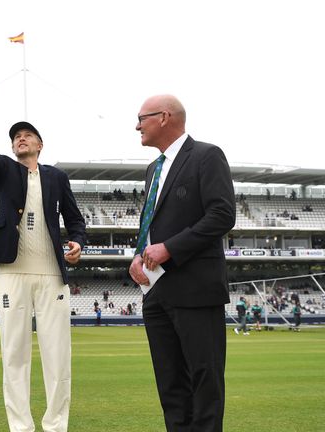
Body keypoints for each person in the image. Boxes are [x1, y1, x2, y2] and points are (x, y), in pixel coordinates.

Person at [0, 83, 86, 432]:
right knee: (14, 355)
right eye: (16, 136)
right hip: (11, 273)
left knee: (57, 357)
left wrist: (78, 242)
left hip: (53, 275)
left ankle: (56, 425)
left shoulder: (57, 177)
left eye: (28, 135)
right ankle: (20, 427)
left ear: (40, 144)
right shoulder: (5, 169)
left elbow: (76, 220)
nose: (21, 139)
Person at [128, 95, 235, 432]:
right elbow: (153, 222)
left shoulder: (206, 155)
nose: (137, 126)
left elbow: (222, 214)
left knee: (204, 380)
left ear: (164, 116)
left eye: (141, 118)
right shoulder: (153, 169)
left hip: (195, 287)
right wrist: (137, 254)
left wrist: (169, 249)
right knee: (170, 383)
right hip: (155, 291)